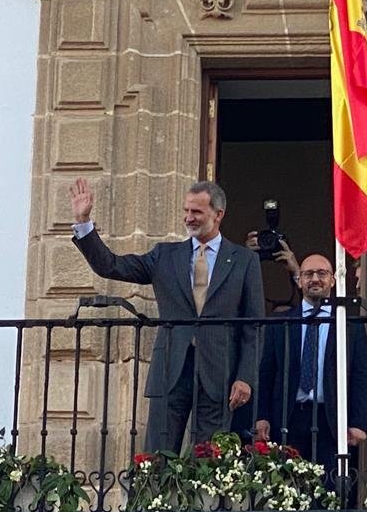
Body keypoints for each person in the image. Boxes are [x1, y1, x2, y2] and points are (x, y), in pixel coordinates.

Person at [69, 177, 265, 454]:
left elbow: (253, 326)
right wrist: (84, 223)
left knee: (209, 460)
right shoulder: (164, 256)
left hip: (219, 371)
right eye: (186, 210)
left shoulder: (244, 260)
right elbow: (111, 266)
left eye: (196, 211)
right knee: (158, 456)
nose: (189, 218)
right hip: (171, 367)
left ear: (218, 214)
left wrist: (245, 377)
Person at [254, 253, 367, 484]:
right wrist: (262, 416)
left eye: (322, 273)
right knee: (289, 489)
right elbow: (266, 372)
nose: (315, 279)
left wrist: (358, 423)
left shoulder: (349, 324)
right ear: (299, 280)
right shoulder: (281, 323)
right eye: (308, 274)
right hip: (289, 417)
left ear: (333, 280)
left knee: (330, 489)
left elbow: (361, 375)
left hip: (332, 419)